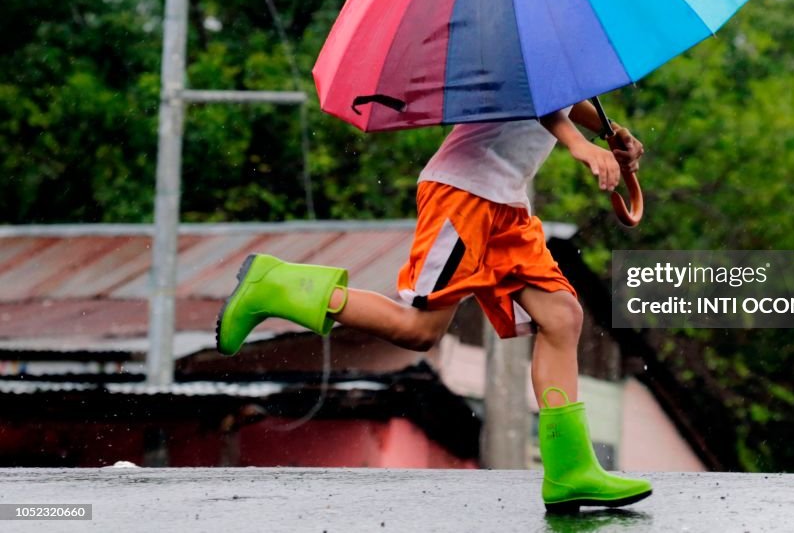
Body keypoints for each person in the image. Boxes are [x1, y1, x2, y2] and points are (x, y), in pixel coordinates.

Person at [216, 100, 652, 513]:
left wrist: (611, 132)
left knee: (561, 315)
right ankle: (274, 285)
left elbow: (559, 95)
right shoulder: (518, 32)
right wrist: (579, 144)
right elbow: (531, 95)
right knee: (419, 330)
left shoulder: (555, 41)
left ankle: (570, 470)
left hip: (505, 203)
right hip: (463, 194)